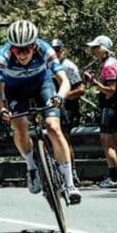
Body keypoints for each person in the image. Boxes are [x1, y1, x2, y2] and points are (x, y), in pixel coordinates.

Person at [0, 20, 81, 203]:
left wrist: (61, 97)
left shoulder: (44, 49)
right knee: (20, 125)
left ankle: (70, 184)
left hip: (42, 85)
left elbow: (64, 81)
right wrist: (2, 110)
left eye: (26, 49)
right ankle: (31, 167)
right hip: (15, 91)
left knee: (53, 127)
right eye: (17, 50)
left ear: (34, 45)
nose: (22, 54)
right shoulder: (2, 56)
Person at [85, 35, 117, 188]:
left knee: (107, 141)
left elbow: (110, 90)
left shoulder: (109, 66)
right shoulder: (113, 63)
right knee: (116, 139)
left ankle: (113, 178)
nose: (93, 50)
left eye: (95, 47)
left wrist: (94, 82)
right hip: (116, 107)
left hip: (109, 107)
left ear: (103, 48)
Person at [50, 39, 85, 184]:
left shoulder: (68, 66)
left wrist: (63, 96)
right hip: (52, 108)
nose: (56, 52)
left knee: (64, 138)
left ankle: (72, 172)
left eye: (58, 49)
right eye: (53, 50)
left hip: (68, 108)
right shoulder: (47, 66)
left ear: (62, 50)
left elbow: (81, 89)